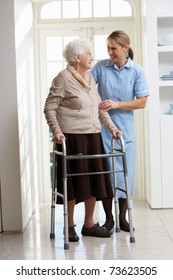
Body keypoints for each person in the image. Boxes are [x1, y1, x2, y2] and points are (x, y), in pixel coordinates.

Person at [44, 39, 122, 242]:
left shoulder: (89, 78)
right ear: (77, 57)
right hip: (72, 138)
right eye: (89, 53)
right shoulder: (62, 78)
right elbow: (49, 107)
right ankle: (69, 226)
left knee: (94, 182)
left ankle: (89, 225)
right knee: (73, 183)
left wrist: (112, 128)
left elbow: (99, 108)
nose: (92, 56)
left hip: (93, 135)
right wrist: (56, 131)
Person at [91, 30, 149, 233]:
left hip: (125, 132)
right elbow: (86, 88)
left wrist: (117, 104)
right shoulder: (100, 67)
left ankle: (122, 218)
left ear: (126, 48)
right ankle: (109, 219)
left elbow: (142, 102)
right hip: (102, 131)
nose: (109, 52)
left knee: (125, 176)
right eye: (108, 47)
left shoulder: (137, 71)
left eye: (113, 48)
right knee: (107, 177)